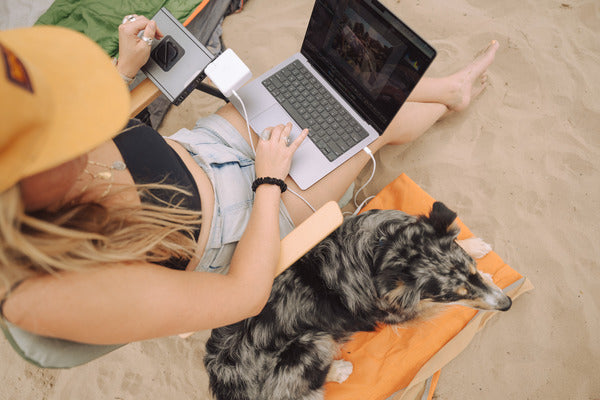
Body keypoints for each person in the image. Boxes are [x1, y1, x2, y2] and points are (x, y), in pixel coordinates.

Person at [0, 16, 499, 347]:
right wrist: (268, 181)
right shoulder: (52, 291)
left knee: (315, 89)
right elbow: (244, 295)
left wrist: (123, 68)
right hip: (241, 221)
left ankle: (443, 89)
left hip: (202, 146)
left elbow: (85, 120)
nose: (64, 128)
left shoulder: (46, 138)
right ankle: (449, 95)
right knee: (369, 127)